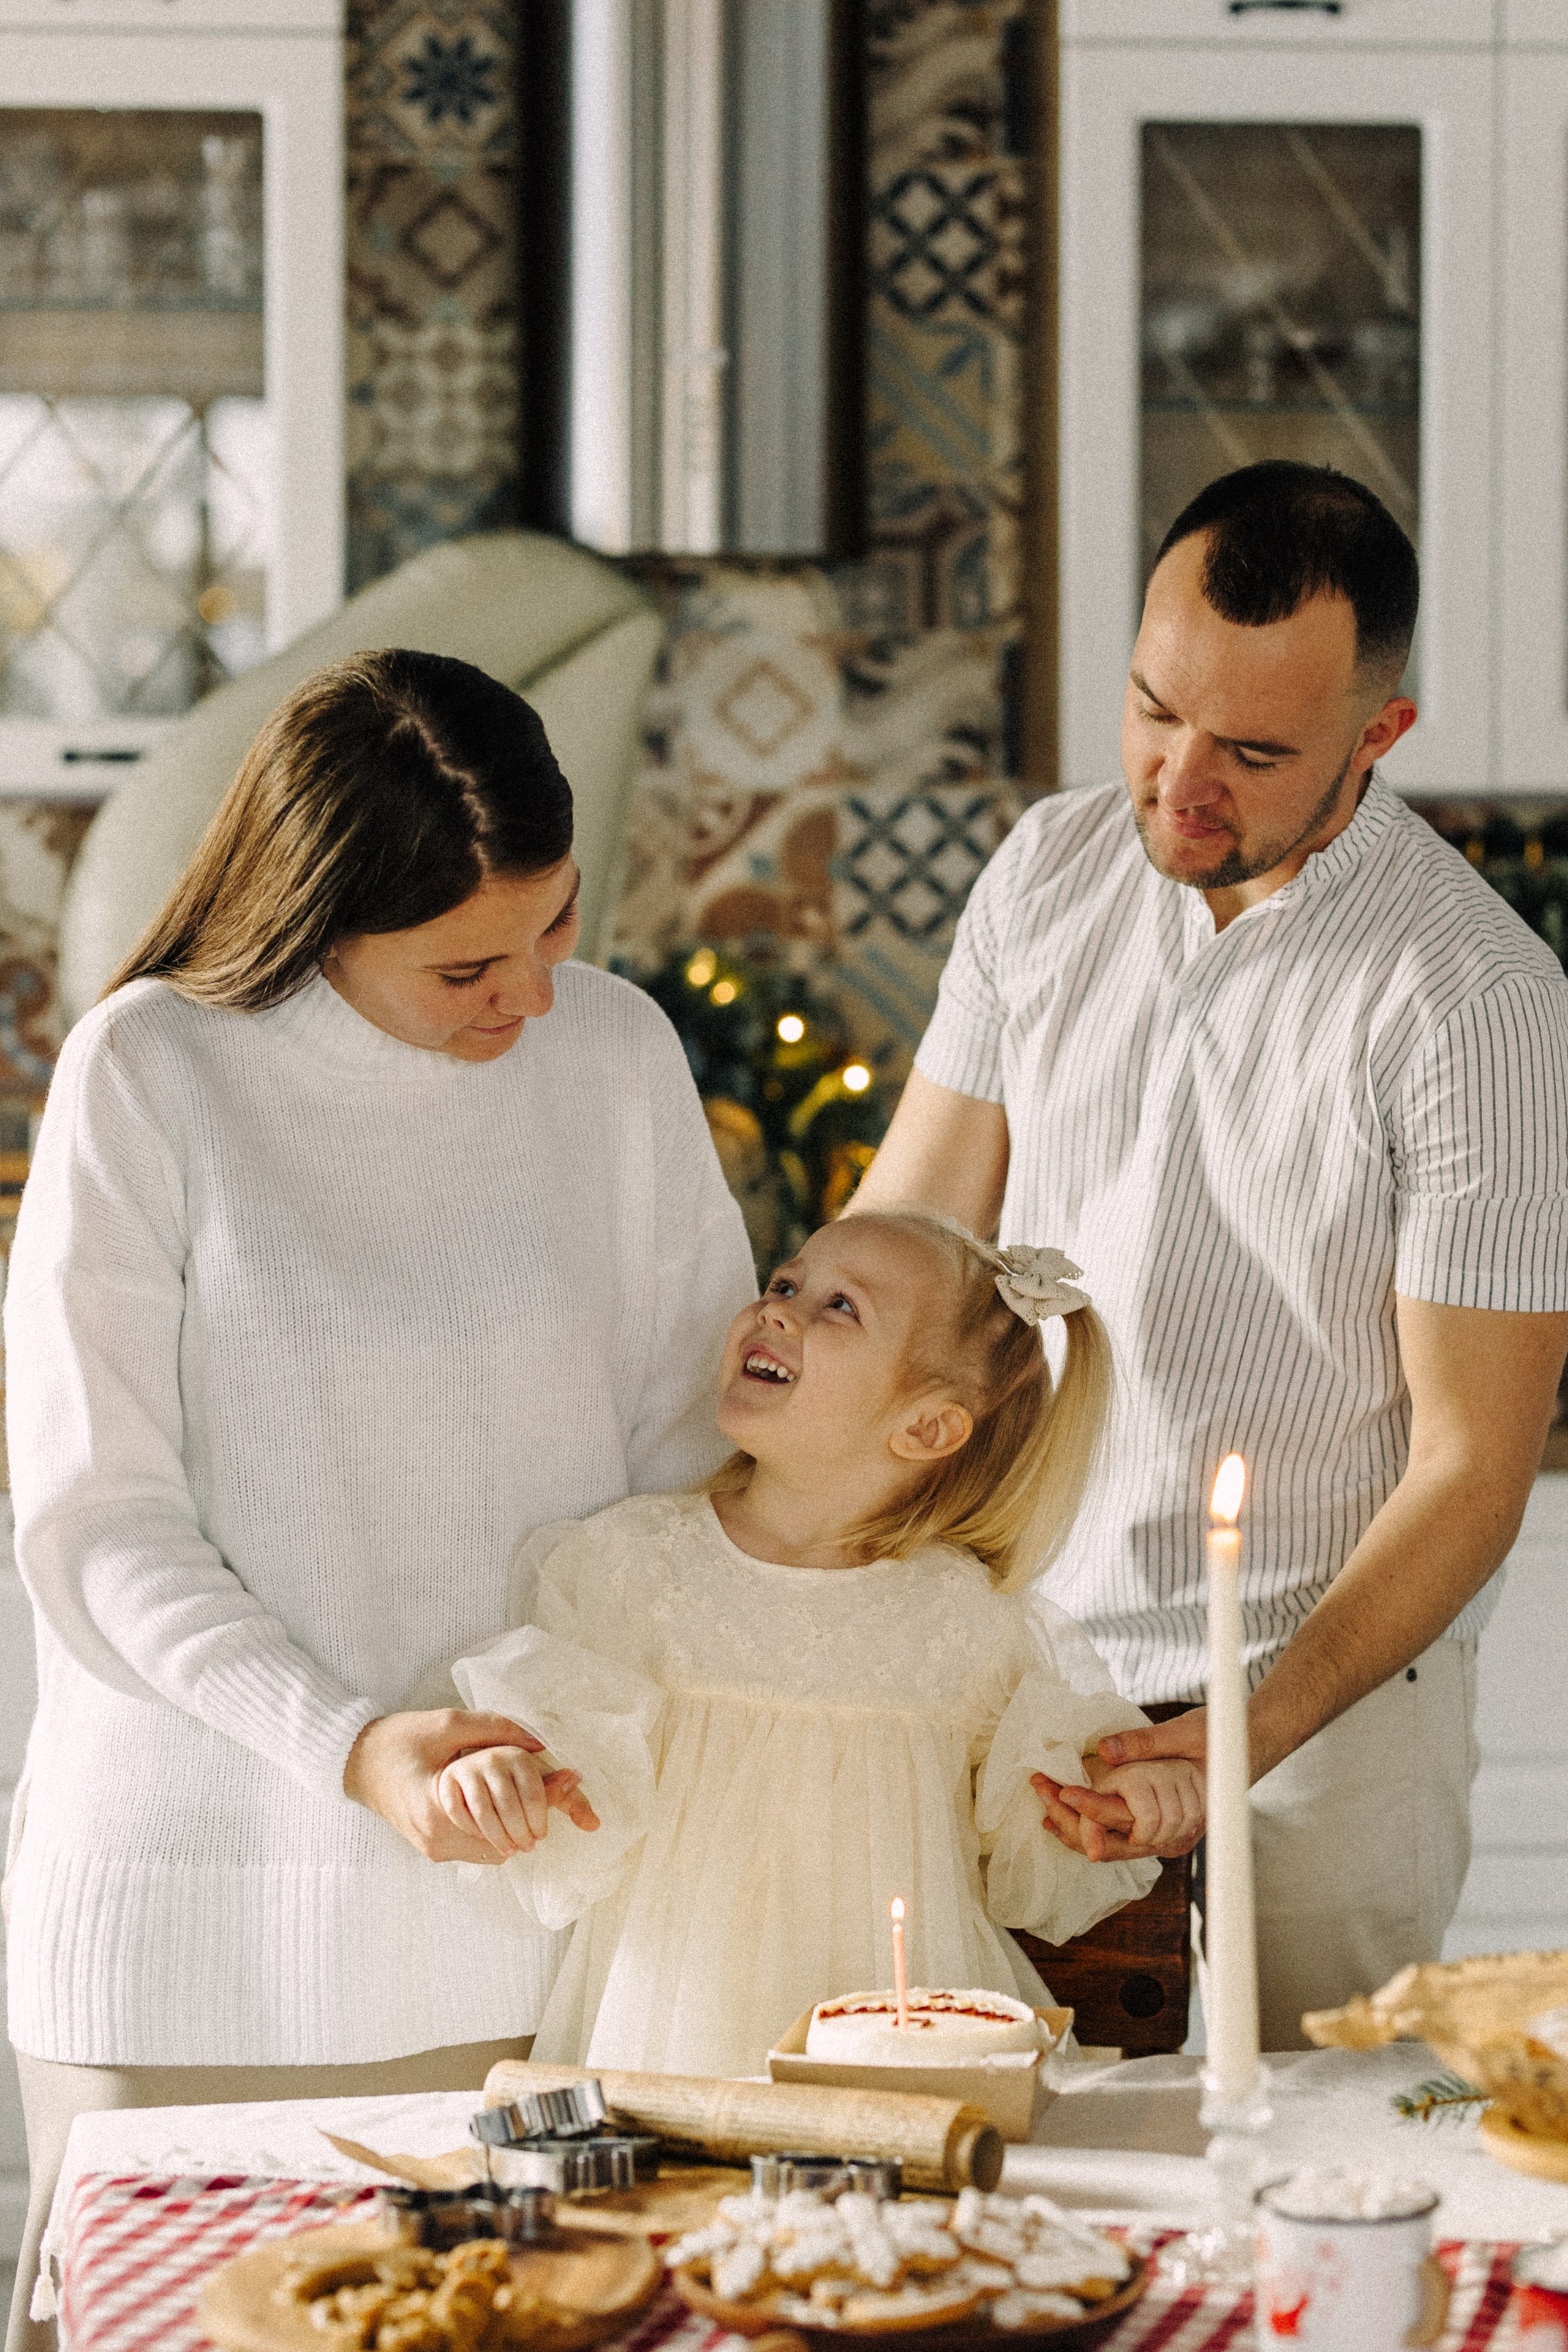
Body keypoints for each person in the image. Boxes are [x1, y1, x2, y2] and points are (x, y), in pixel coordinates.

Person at [2, 650, 756, 2352]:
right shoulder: (153, 1073)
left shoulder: (613, 1057)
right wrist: (352, 1745)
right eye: (466, 965)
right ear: (319, 923)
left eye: (556, 925)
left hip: (509, 1928)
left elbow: (683, 1461)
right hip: (188, 1935)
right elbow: (99, 1524)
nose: (530, 996)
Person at [848, 462, 1568, 2049]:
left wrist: (1240, 1732)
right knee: (1019, 2135)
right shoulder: (1047, 872)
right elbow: (905, 1244)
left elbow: (1471, 1468)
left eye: (1251, 753)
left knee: (1317, 2152)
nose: (1179, 783)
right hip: (1027, 1665)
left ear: (1379, 735)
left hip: (1327, 1717)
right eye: (1153, 710)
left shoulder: (1477, 1004)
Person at [417, 1210, 1205, 2078]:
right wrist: (501, 1777)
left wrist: (1132, 1792)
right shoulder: (634, 1563)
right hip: (677, 2029)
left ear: (927, 1428)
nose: (778, 1309)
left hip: (909, 2043)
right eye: (786, 1282)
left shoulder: (965, 1616)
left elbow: (1048, 1820)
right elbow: (571, 1784)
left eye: (840, 1306)